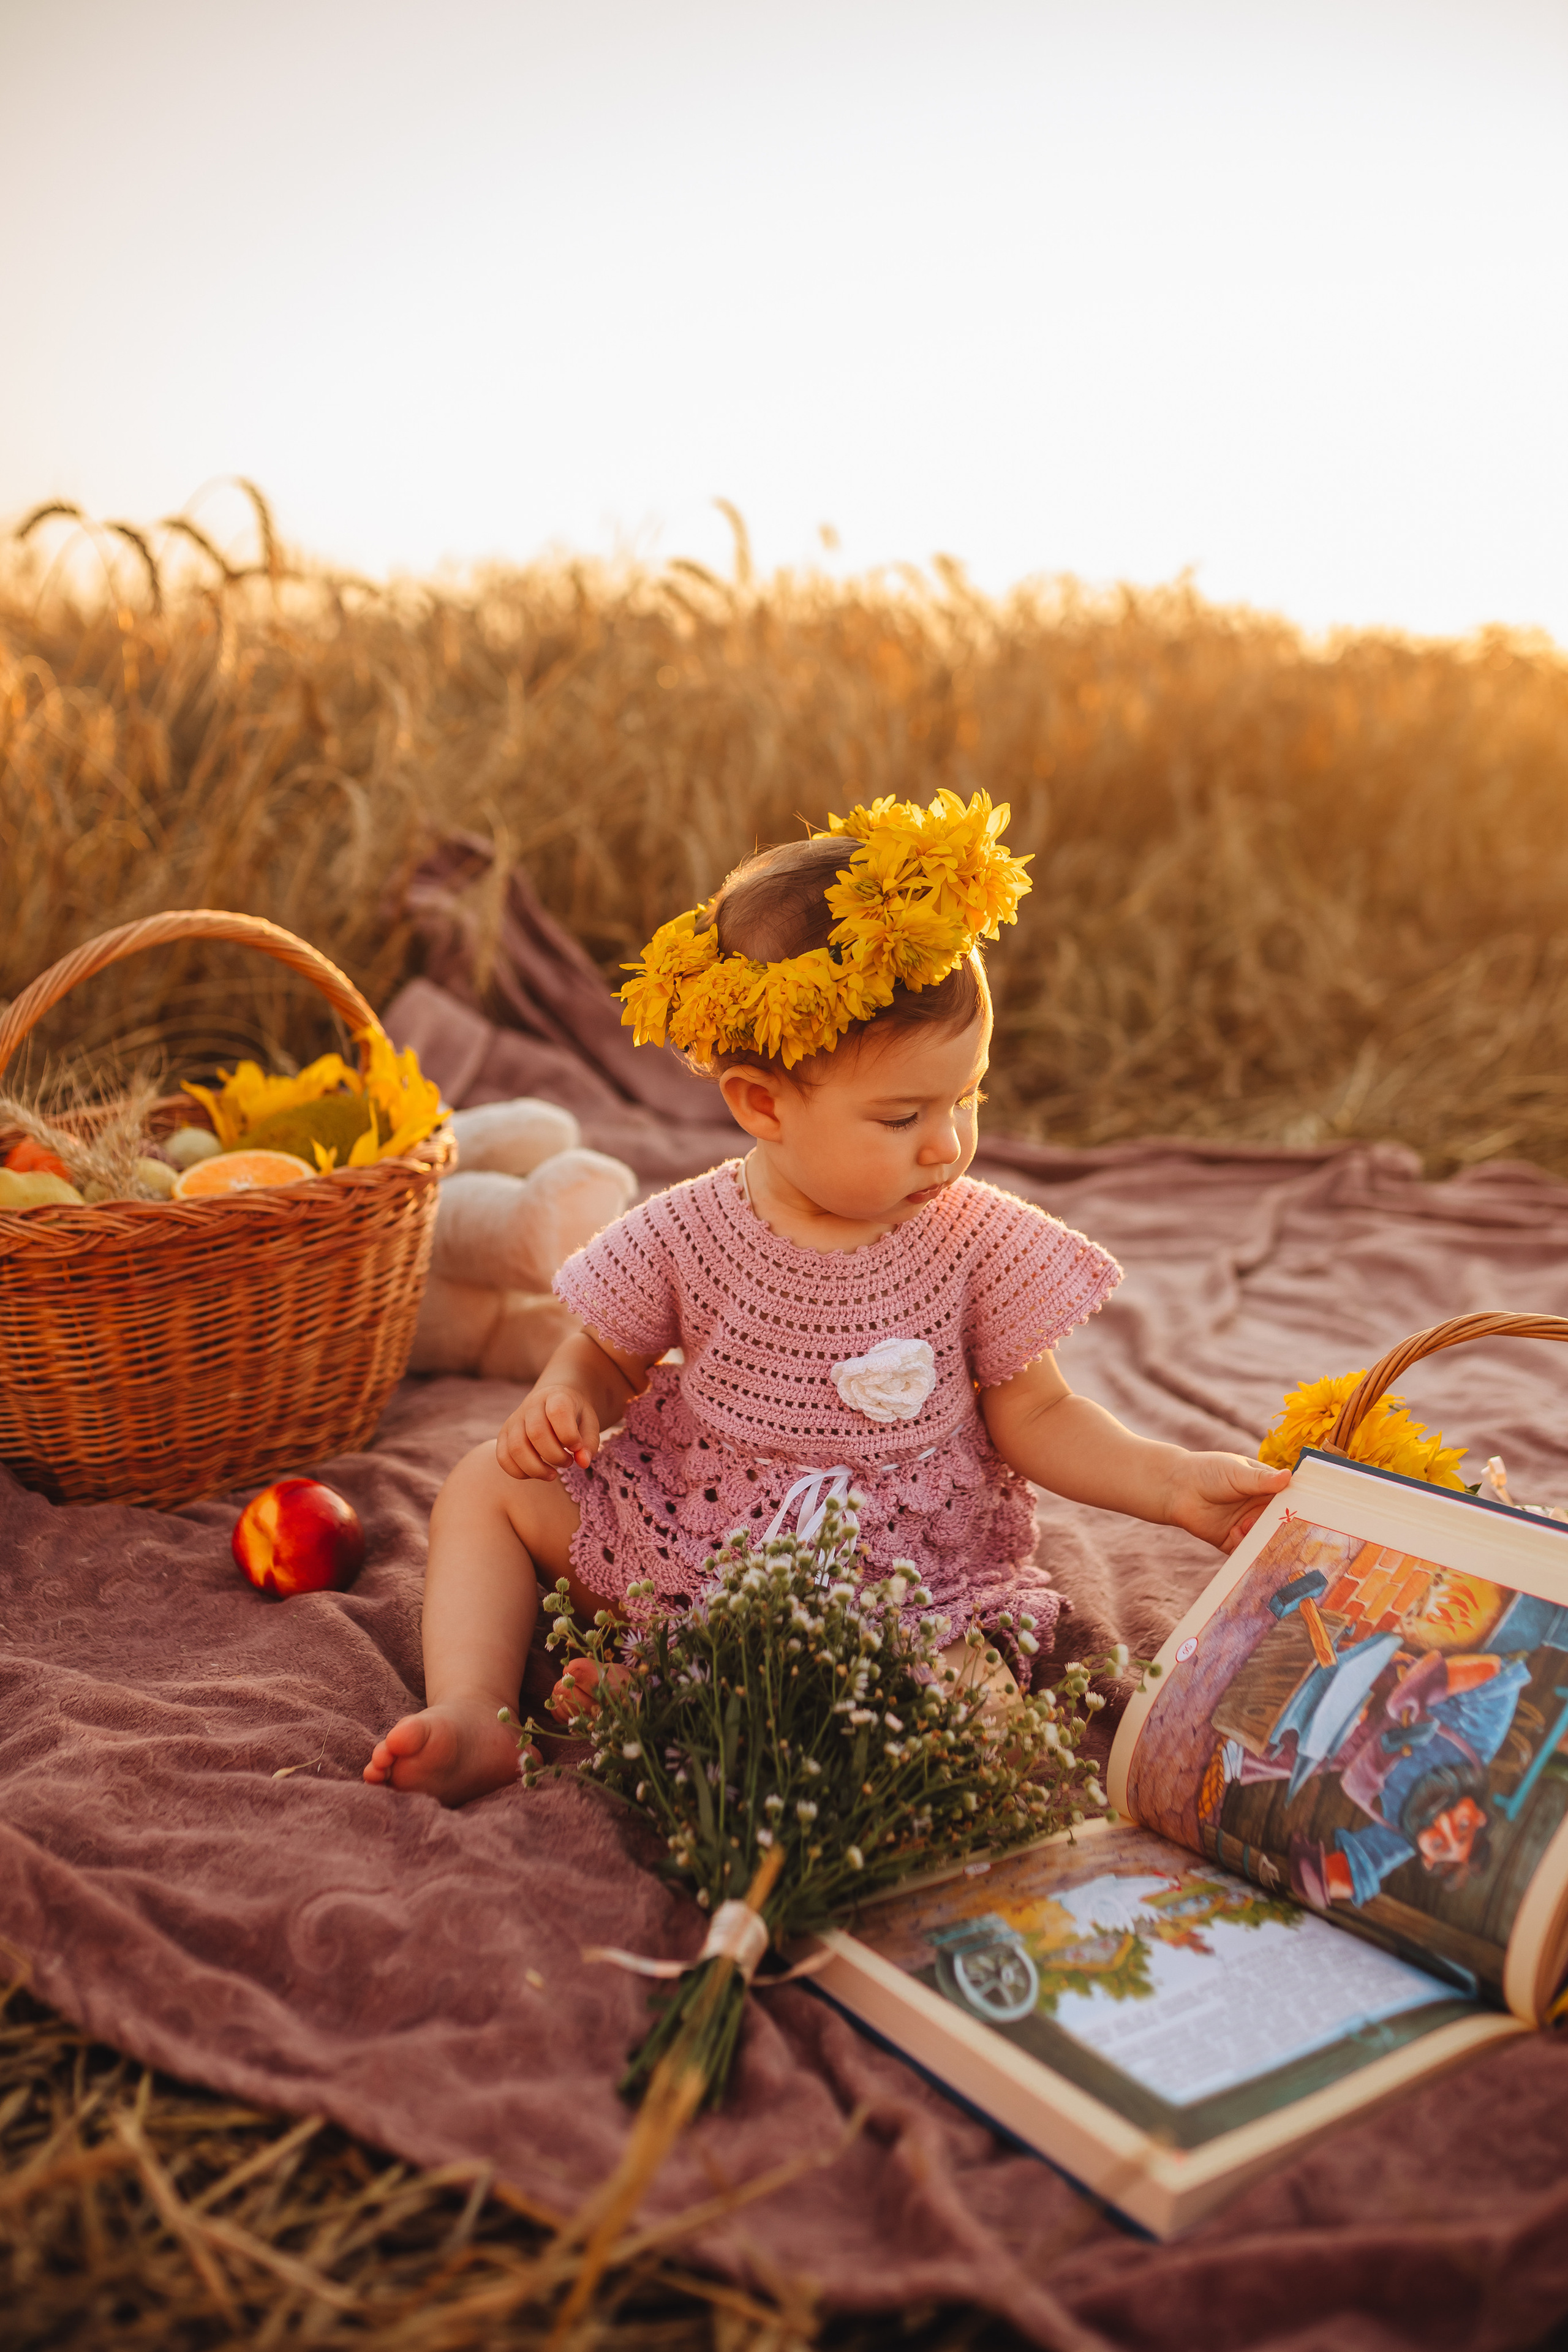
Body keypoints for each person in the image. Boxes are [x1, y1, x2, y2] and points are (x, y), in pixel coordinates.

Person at [366, 792, 1287, 1803]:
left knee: (978, 1723)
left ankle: (683, 1702)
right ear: (762, 1103)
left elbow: (1039, 1412)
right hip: (692, 1543)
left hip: (899, 1591)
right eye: (902, 1117)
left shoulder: (976, 1240)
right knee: (484, 1487)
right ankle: (476, 1709)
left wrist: (1171, 1484)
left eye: (967, 1097)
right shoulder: (689, 1231)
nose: (948, 1144)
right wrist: (565, 1397)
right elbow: (604, 1354)